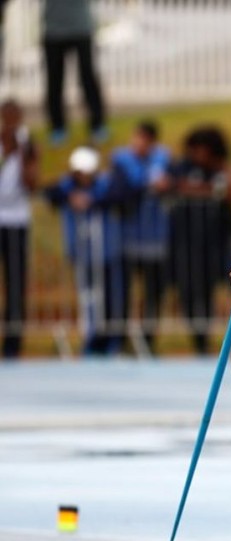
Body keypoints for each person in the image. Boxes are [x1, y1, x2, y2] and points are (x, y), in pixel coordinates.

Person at [168, 125, 231, 355]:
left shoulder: (221, 169)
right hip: (187, 242)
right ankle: (198, 339)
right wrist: (211, 191)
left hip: (217, 240)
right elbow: (175, 186)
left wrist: (210, 186)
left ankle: (214, 337)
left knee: (219, 287)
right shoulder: (183, 167)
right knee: (190, 291)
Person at [45, 146, 126, 355]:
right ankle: (90, 339)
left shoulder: (105, 183)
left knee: (110, 297)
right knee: (87, 298)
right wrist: (70, 198)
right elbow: (50, 192)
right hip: (81, 251)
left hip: (106, 250)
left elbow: (118, 194)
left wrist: (92, 201)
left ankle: (111, 341)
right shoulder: (67, 185)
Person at [111, 120, 171, 354]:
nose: (138, 143)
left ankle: (147, 340)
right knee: (123, 293)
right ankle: (121, 340)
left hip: (156, 240)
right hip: (127, 239)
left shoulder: (163, 159)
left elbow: (172, 183)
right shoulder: (122, 160)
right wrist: (147, 182)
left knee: (154, 293)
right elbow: (119, 191)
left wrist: (165, 184)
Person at [0, 99, 39, 358]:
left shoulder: (28, 144)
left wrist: (21, 154)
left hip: (16, 221)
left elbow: (32, 183)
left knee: (16, 283)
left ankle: (13, 343)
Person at [42, 0, 107, 145]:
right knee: (54, 81)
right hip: (53, 30)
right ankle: (58, 128)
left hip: (81, 28)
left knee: (88, 78)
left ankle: (97, 125)